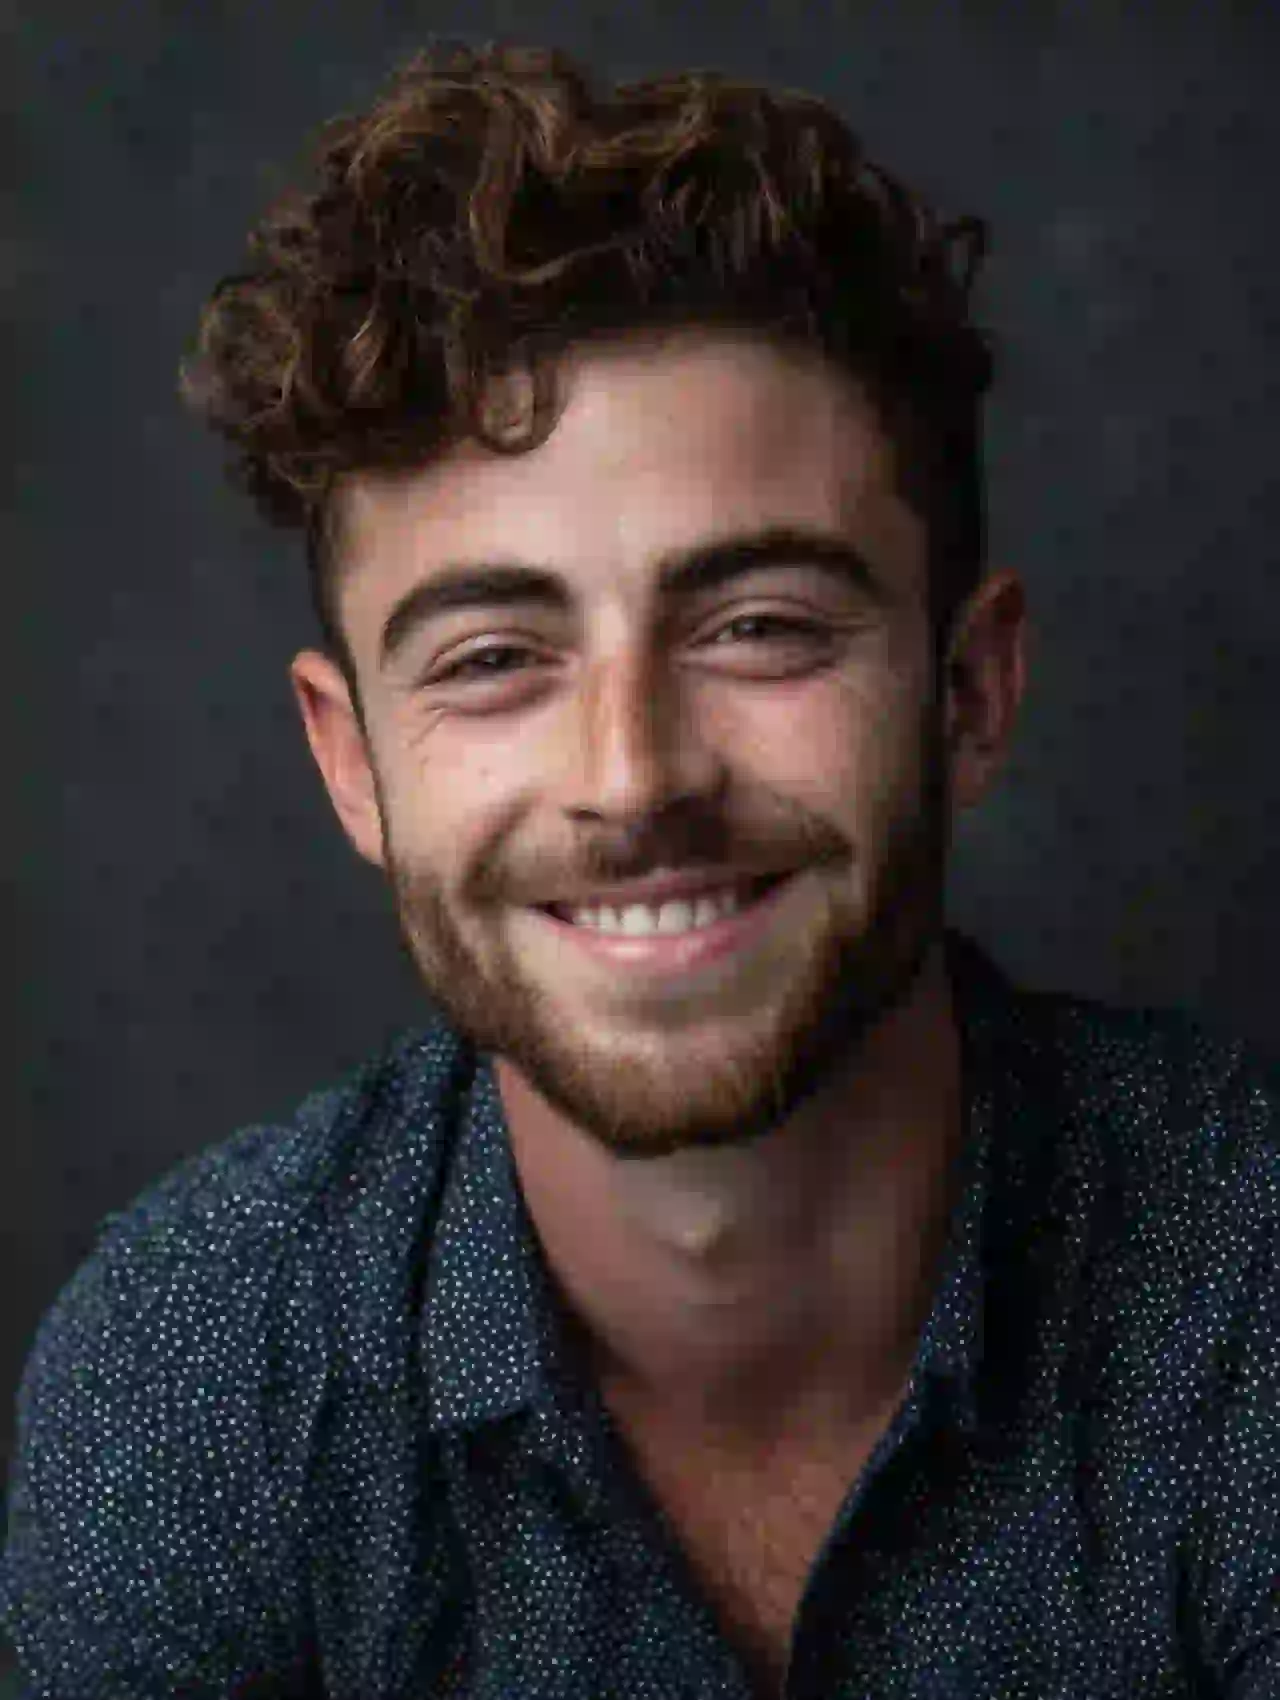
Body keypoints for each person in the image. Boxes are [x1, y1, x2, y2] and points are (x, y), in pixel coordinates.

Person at [3, 38, 1277, 1700]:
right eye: (490, 658)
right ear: (349, 761)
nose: (634, 777)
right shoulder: (195, 1365)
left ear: (970, 693)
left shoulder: (1247, 1280)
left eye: (758, 627)